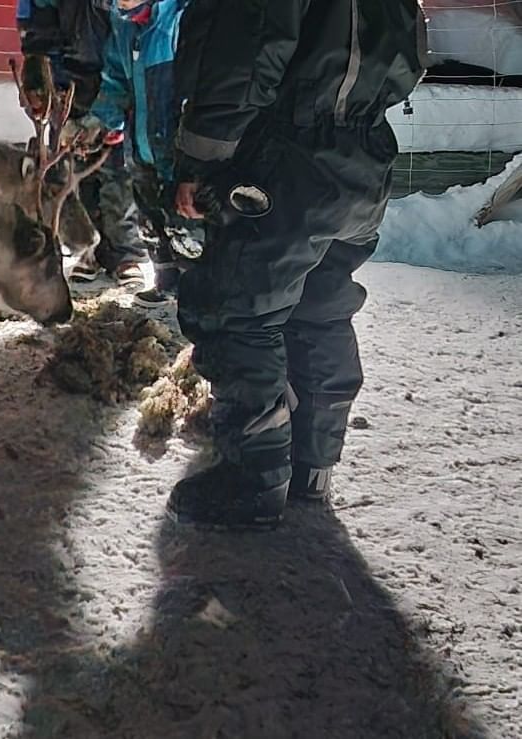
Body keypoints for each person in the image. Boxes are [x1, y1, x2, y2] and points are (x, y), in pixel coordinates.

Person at [167, 0, 428, 528]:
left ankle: (253, 481)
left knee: (239, 311)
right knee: (323, 307)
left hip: (285, 151)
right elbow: (413, 49)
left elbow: (247, 43)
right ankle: (313, 465)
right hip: (363, 153)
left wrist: (202, 158)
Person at [66, 0, 204, 308]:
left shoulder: (182, 17)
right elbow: (116, 81)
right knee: (151, 221)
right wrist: (97, 122)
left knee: (187, 228)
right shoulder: (124, 24)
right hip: (142, 148)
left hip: (178, 151)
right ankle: (166, 282)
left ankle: (197, 295)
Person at [17, 0, 149, 291]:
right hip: (66, 80)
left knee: (119, 170)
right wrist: (36, 62)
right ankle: (90, 249)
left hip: (116, 72)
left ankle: (127, 253)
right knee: (76, 168)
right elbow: (36, 15)